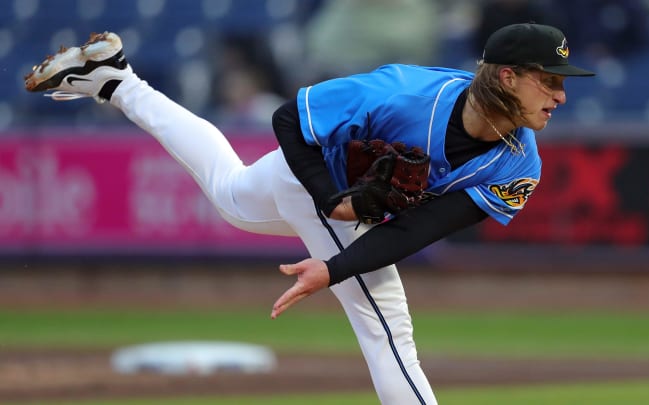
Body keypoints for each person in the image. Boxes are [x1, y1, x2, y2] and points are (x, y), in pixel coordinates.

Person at [25, 23, 594, 405]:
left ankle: (118, 82)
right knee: (387, 327)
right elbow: (288, 121)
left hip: (332, 196)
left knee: (230, 195)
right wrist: (331, 203)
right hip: (317, 177)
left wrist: (335, 265)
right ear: (506, 76)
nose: (561, 96)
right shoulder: (401, 94)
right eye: (549, 81)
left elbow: (421, 227)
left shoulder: (520, 165)